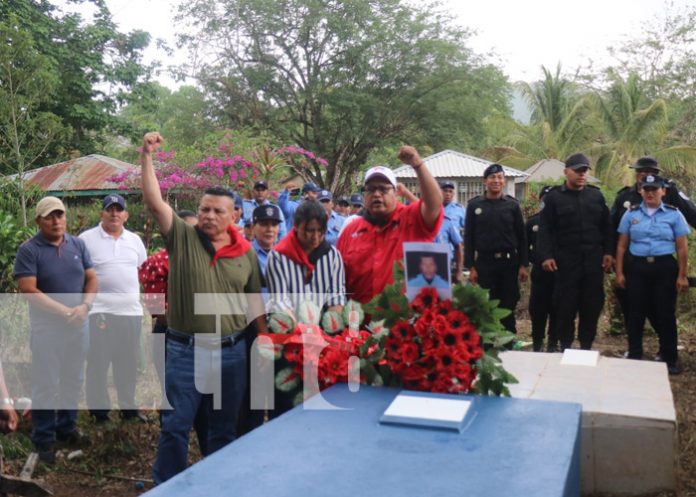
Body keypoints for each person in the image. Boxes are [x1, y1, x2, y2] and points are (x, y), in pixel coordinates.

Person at [140, 132, 266, 484]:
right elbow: (154, 203)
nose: (209, 216)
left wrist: (266, 340)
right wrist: (146, 156)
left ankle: (217, 486)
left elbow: (254, 301)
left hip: (231, 353)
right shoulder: (183, 238)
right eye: (204, 209)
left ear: (235, 215)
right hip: (184, 352)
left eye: (217, 211)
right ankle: (166, 487)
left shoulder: (247, 253)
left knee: (223, 431)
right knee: (175, 427)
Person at [14, 196, 97, 464]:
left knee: (74, 379)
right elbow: (28, 289)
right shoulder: (29, 250)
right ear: (39, 220)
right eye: (50, 216)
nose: (56, 220)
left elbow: (92, 277)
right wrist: (64, 312)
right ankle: (44, 439)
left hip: (78, 326)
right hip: (47, 329)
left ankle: (66, 427)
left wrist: (85, 306)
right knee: (46, 383)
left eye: (60, 215)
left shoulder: (78, 244)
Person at [138, 210, 211, 454]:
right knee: (172, 391)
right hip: (171, 335)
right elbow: (157, 310)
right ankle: (170, 445)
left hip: (204, 336)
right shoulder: (158, 262)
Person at [610, 156, 696, 354]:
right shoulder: (625, 198)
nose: (646, 176)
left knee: (663, 311)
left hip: (663, 264)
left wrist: (682, 273)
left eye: (650, 173)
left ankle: (667, 353)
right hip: (634, 264)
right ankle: (634, 351)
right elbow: (612, 229)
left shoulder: (670, 194)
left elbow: (690, 217)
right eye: (641, 172)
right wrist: (614, 261)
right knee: (634, 311)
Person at [337, 147, 443, 304]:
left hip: (404, 323)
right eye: (371, 189)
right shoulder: (350, 231)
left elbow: (434, 203)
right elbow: (338, 278)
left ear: (396, 193)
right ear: (364, 195)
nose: (377, 194)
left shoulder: (412, 220)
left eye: (383, 189)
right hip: (359, 323)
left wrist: (417, 164)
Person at [79, 194, 147, 424]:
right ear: (102, 214)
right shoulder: (86, 239)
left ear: (126, 215)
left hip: (130, 313)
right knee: (98, 362)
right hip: (100, 312)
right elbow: (79, 275)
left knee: (127, 362)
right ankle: (99, 414)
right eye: (110, 209)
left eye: (119, 210)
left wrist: (154, 311)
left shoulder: (135, 241)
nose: (114, 214)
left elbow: (145, 275)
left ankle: (129, 410)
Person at [537, 153, 613, 351]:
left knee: (591, 304)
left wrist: (608, 253)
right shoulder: (554, 197)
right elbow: (544, 229)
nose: (581, 174)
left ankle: (586, 345)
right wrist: (546, 256)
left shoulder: (596, 196)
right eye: (577, 171)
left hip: (593, 262)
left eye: (585, 171)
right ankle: (565, 345)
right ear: (566, 172)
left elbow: (607, 227)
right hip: (566, 262)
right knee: (565, 306)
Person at [464, 164, 528, 335]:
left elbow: (522, 237)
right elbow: (468, 238)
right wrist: (470, 267)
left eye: (500, 177)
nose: (496, 181)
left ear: (504, 181)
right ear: (485, 181)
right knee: (486, 304)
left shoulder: (512, 206)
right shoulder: (474, 205)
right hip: (484, 263)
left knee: (508, 303)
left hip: (508, 263)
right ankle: (488, 342)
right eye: (492, 177)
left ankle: (509, 340)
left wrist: (523, 264)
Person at [266, 200, 346, 315]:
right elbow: (279, 301)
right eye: (309, 230)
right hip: (287, 325)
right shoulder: (278, 257)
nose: (315, 236)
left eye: (320, 230)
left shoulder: (332, 256)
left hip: (322, 328)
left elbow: (336, 295)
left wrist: (331, 322)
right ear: (296, 225)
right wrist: (301, 329)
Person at [526, 185, 558, 352]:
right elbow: (525, 246)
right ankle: (537, 344)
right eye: (544, 199)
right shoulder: (533, 221)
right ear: (540, 200)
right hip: (539, 273)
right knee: (538, 310)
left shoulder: (561, 221)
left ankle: (553, 344)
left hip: (559, 273)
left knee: (557, 309)